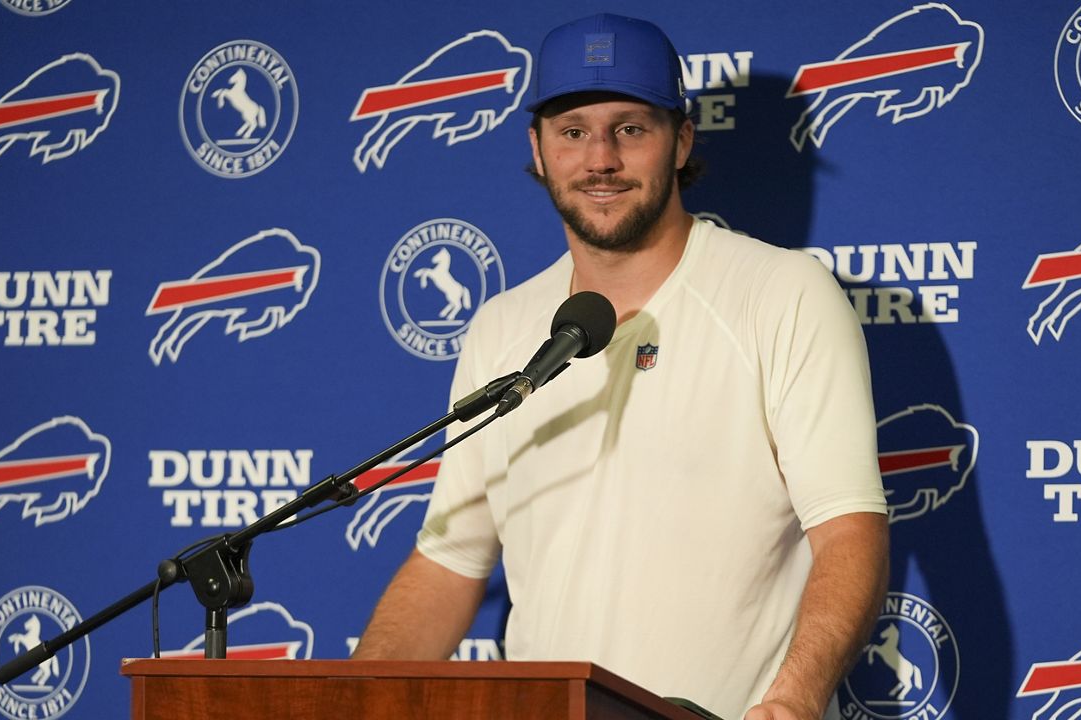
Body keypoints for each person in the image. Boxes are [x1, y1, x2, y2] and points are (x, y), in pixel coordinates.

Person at [353, 13, 889, 720]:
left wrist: (790, 703)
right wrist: (351, 698)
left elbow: (850, 532)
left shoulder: (782, 294)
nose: (600, 159)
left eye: (630, 129)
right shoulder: (502, 327)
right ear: (538, 149)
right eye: (573, 131)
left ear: (681, 140)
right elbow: (450, 563)